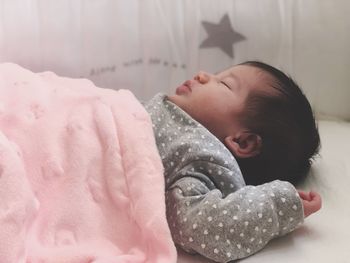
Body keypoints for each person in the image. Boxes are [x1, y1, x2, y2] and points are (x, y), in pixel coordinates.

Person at [144, 61, 322, 262]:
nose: (202, 75)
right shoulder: (169, 114)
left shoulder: (202, 158)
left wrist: (277, 205)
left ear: (243, 141)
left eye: (224, 83)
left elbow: (201, 226)